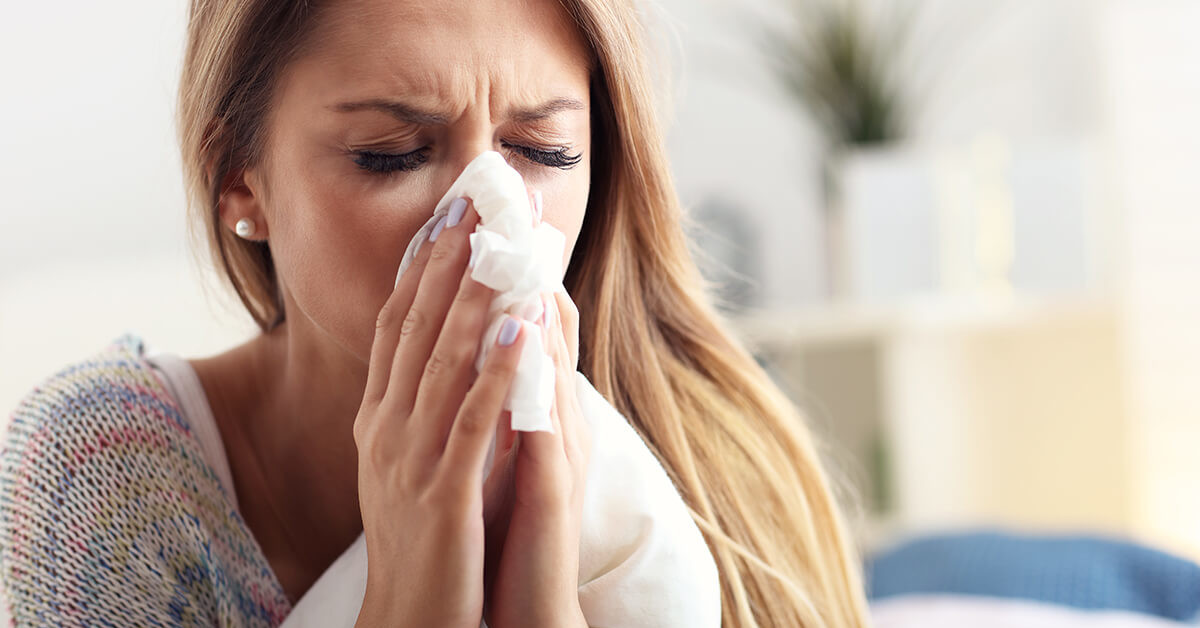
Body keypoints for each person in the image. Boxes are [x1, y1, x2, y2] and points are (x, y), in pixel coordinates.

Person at [0, 0, 870, 626]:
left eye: (542, 150)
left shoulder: (726, 472)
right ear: (241, 176)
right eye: (393, 154)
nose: (489, 212)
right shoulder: (105, 478)